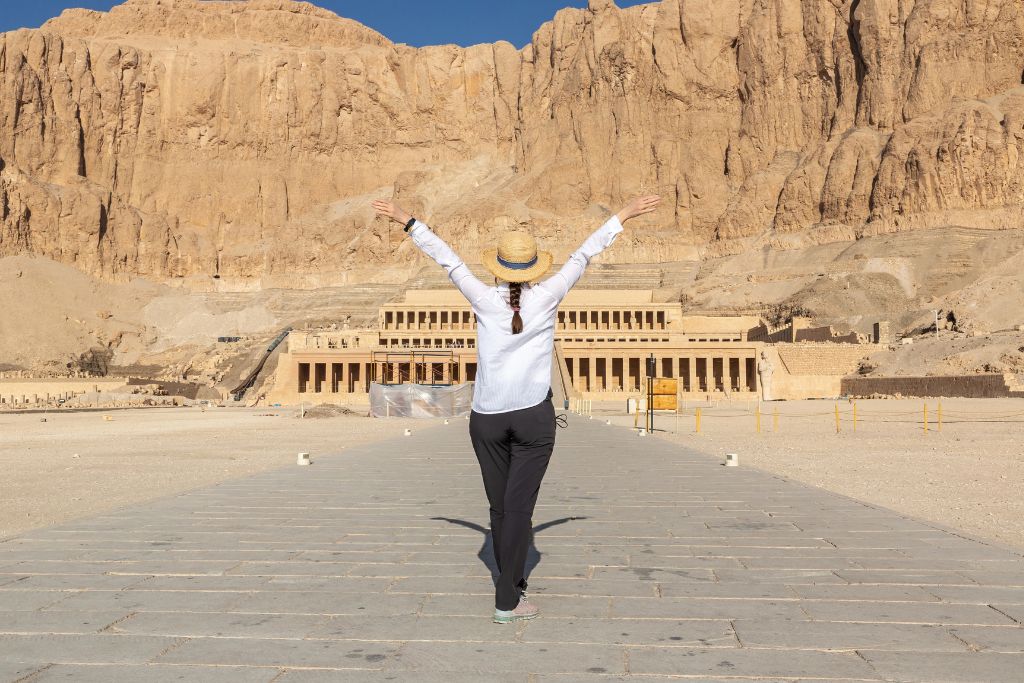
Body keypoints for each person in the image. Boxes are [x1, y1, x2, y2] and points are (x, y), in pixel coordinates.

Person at [373, 194, 660, 623]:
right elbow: (584, 253)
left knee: (499, 508)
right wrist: (623, 215)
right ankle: (508, 598)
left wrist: (407, 221)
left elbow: (448, 259)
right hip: (532, 417)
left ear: (498, 268)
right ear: (534, 269)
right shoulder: (548, 295)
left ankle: (510, 586)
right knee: (520, 508)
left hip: (486, 418)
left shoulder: (482, 298)